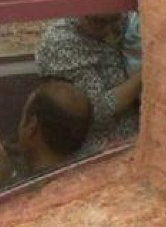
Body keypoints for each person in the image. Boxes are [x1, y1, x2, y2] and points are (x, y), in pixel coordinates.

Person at [35, 12, 142, 151]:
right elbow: (99, 110)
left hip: (138, 131)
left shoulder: (122, 20)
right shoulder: (62, 43)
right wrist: (147, 72)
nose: (110, 31)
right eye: (99, 22)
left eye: (115, 20)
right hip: (99, 147)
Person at [0, 78, 93, 186]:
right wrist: (8, 178)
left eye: (23, 116)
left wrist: (9, 181)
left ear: (32, 126)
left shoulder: (31, 196)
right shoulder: (89, 179)